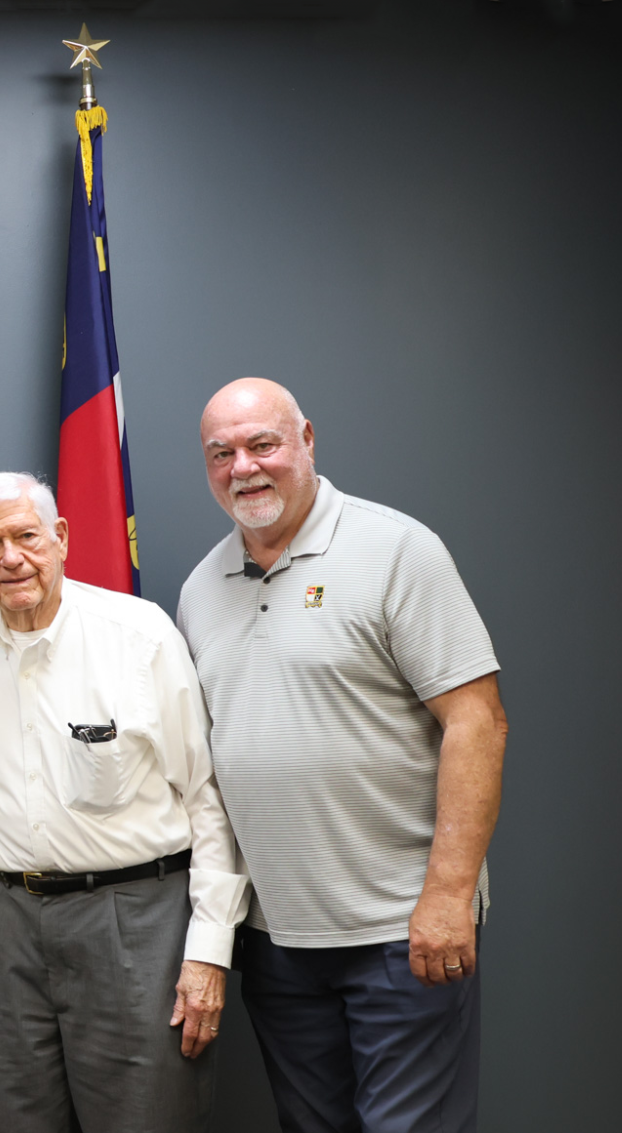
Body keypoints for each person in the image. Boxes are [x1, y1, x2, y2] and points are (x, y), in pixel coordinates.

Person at [176, 379, 506, 1133]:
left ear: (307, 439)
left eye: (263, 444)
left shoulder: (395, 549)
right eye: (221, 453)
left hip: (402, 928)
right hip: (278, 941)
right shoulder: (202, 587)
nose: (244, 467)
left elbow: (478, 720)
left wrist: (450, 896)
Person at [0, 472, 249, 1133]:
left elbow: (207, 798)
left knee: (147, 1119)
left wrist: (208, 950)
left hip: (137, 921)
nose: (11, 557)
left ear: (62, 537)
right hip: (7, 923)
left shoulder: (139, 634)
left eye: (26, 535)